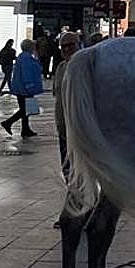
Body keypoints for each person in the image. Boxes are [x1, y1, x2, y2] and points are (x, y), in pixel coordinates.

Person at [2, 39, 42, 138]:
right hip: (24, 89)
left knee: (26, 109)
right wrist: (29, 85)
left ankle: (25, 129)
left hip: (21, 88)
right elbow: (27, 72)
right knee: (24, 110)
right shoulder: (26, 58)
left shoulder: (24, 56)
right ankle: (8, 122)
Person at [54, 30, 82, 170]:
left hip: (80, 128)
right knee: (66, 165)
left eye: (71, 45)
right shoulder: (61, 67)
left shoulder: (84, 67)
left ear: (78, 45)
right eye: (63, 46)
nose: (67, 49)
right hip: (63, 126)